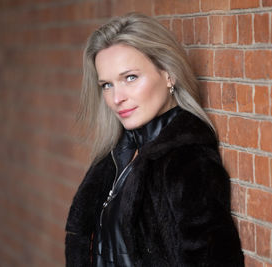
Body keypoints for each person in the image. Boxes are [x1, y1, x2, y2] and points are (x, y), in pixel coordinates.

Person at [65, 13, 244, 267]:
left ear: (169, 73)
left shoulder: (186, 160)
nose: (117, 98)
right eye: (107, 85)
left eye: (130, 78)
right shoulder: (119, 155)